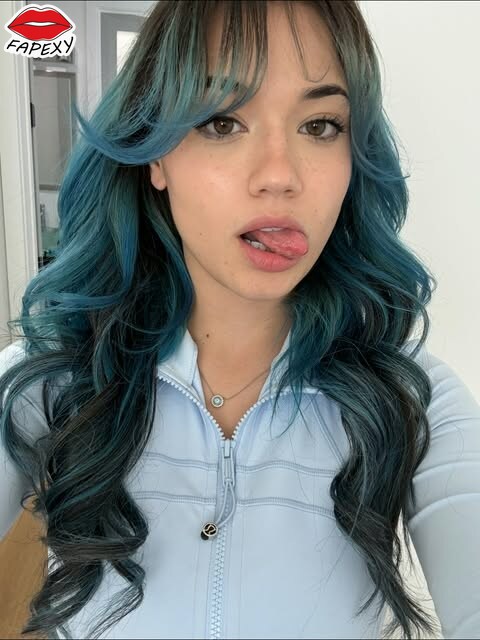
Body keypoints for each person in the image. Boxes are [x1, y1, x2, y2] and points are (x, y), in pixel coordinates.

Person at [0, 1, 479, 638]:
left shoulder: (415, 399)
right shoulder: (46, 382)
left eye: (320, 125)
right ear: (156, 156)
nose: (280, 177)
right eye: (221, 121)